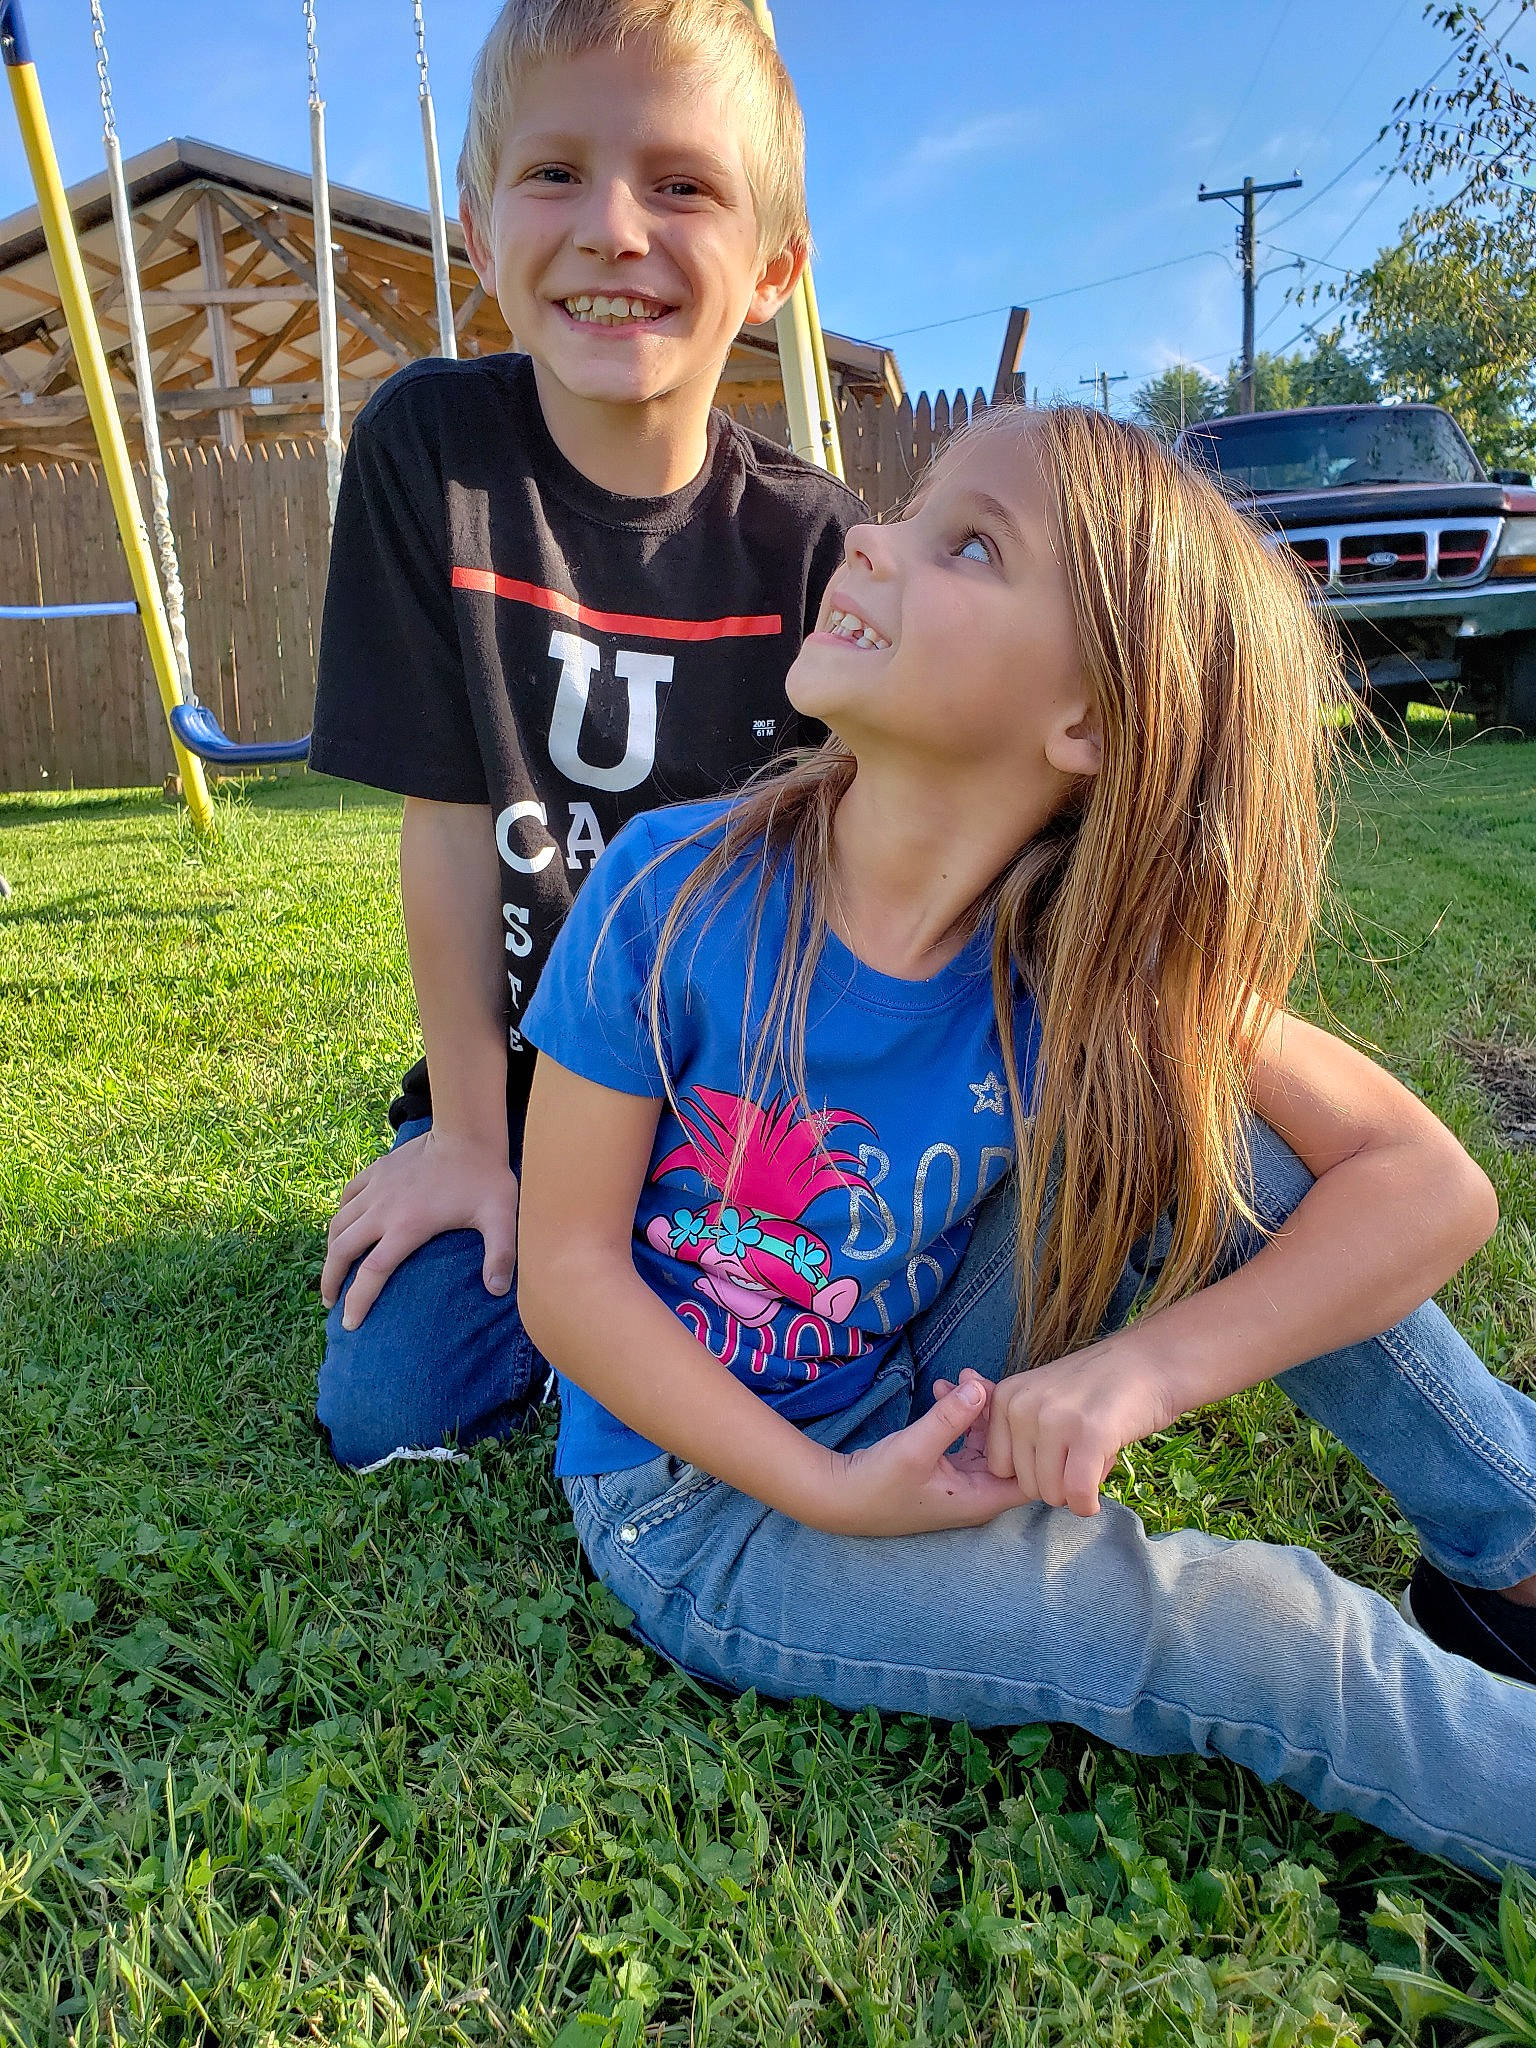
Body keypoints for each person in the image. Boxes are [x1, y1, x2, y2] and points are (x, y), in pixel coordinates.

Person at [515, 403, 1536, 1876]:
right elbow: (566, 1278)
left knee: (1224, 1149)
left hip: (920, 1365)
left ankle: (1515, 1555)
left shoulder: (1086, 963)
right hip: (703, 1509)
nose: (869, 541)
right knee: (1255, 1630)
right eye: (908, 513)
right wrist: (830, 1492)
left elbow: (1430, 1190)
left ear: (1092, 727)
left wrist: (1142, 1373)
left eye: (970, 545)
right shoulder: (669, 893)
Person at [308, 0, 865, 1470]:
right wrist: (468, 1141)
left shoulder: (815, 546)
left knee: (826, 1352)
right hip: (523, 1095)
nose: (614, 230)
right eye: (555, 172)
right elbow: (449, 824)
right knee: (390, 1403)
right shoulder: (431, 454)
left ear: (774, 266)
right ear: (480, 231)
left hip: (737, 1117)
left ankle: (640, 1302)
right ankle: (564, 1265)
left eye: (682, 185)